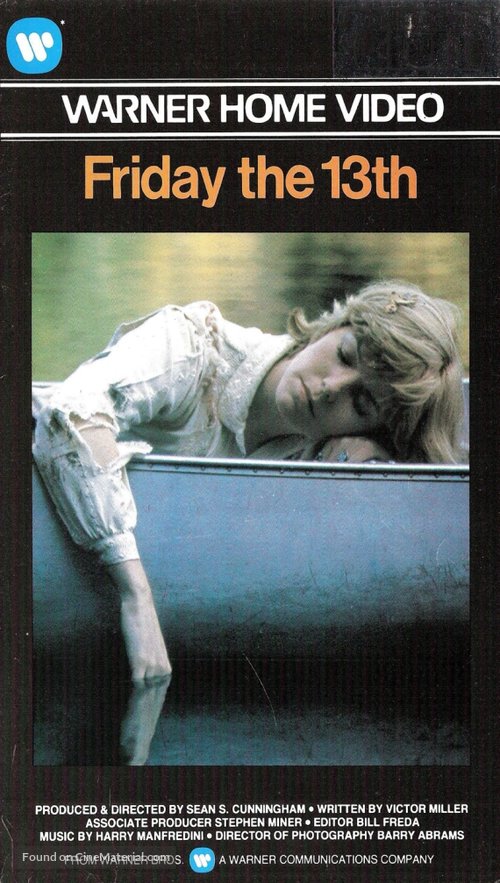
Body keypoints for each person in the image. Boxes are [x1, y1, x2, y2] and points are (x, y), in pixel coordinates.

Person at [33, 280, 465, 682]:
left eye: (362, 401)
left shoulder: (329, 451)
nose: (330, 388)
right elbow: (67, 416)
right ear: (331, 327)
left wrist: (365, 469)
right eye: (346, 355)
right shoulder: (191, 346)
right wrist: (136, 597)